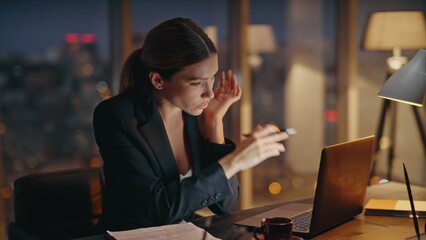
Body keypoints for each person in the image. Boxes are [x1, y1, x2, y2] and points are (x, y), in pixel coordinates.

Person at [92, 17, 289, 232]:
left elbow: (224, 205)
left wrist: (214, 122)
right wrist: (235, 160)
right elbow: (159, 207)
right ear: (158, 80)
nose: (210, 92)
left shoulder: (195, 115)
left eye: (212, 77)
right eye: (196, 83)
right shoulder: (116, 116)